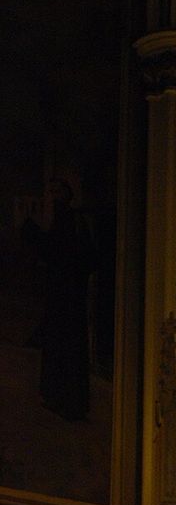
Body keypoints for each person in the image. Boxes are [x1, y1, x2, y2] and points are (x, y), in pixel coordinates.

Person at [21, 179, 97, 421]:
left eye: (56, 193)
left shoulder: (66, 219)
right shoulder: (74, 221)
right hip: (70, 296)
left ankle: (63, 400)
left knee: (63, 347)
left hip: (64, 297)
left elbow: (55, 251)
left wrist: (30, 229)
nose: (52, 197)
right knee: (67, 347)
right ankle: (66, 400)